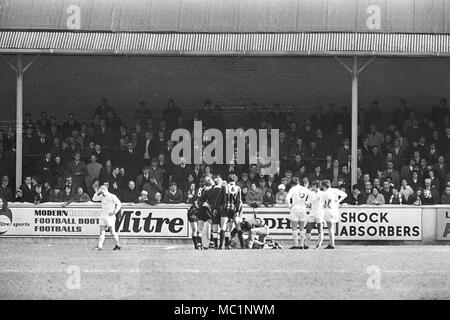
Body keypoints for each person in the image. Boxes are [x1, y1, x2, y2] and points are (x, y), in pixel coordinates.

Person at [285, 177, 313, 249]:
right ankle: (301, 244)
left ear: (292, 184)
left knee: (294, 228)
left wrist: (289, 206)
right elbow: (312, 197)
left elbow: (287, 199)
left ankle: (296, 245)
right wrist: (307, 202)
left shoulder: (293, 189)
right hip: (303, 208)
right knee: (302, 228)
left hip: (295, 208)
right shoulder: (304, 188)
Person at [92, 186, 122, 251]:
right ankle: (99, 246)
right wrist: (98, 192)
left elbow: (119, 204)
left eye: (103, 192)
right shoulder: (101, 196)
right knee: (102, 232)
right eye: (101, 192)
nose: (102, 193)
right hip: (103, 215)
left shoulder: (112, 196)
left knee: (112, 232)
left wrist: (114, 212)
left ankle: (117, 245)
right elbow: (94, 199)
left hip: (110, 216)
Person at [322, 180, 347, 249]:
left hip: (329, 209)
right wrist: (338, 201)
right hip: (335, 210)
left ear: (324, 186)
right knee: (331, 227)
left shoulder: (325, 192)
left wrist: (327, 204)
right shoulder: (335, 190)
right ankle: (331, 243)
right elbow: (345, 195)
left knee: (330, 228)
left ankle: (332, 244)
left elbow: (329, 199)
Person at [305, 181, 325, 249]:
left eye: (314, 186)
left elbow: (326, 201)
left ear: (317, 186)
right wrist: (307, 203)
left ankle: (319, 244)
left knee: (320, 229)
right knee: (308, 229)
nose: (312, 187)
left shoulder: (322, 193)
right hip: (312, 213)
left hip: (319, 214)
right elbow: (308, 202)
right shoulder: (311, 193)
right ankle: (306, 244)